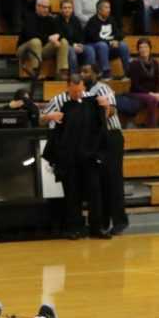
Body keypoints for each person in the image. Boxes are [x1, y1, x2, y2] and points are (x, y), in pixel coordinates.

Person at [40, 73, 106, 239]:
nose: (77, 94)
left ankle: (96, 228)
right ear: (67, 87)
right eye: (74, 91)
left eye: (80, 90)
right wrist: (50, 116)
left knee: (95, 192)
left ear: (84, 86)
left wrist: (106, 107)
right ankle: (74, 228)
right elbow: (40, 119)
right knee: (72, 194)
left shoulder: (92, 99)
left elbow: (106, 117)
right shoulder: (58, 100)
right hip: (68, 155)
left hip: (89, 154)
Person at [80, 63, 126, 236]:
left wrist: (100, 113)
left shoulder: (103, 88)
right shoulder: (82, 92)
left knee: (114, 180)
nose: (83, 74)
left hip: (111, 136)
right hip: (95, 139)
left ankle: (120, 221)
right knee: (100, 183)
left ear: (96, 74)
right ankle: (103, 222)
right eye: (82, 72)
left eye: (86, 72)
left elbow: (112, 110)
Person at [127, 37, 159, 127]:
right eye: (141, 47)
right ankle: (151, 127)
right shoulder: (134, 64)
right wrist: (151, 94)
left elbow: (158, 81)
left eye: (145, 47)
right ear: (138, 50)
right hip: (137, 92)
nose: (143, 49)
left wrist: (157, 93)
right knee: (152, 100)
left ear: (150, 48)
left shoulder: (155, 63)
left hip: (153, 93)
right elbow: (135, 85)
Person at [17, 0, 69, 80]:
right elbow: (30, 34)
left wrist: (57, 36)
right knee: (36, 41)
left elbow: (61, 32)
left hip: (41, 50)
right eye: (44, 7)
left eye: (48, 7)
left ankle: (61, 71)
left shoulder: (50, 19)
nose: (46, 10)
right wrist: (49, 38)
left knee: (63, 41)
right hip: (25, 49)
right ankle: (36, 70)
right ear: (37, 6)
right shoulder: (29, 17)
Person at [84, 0, 130, 79]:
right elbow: (94, 38)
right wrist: (110, 42)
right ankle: (106, 72)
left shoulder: (111, 20)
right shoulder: (92, 21)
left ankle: (128, 72)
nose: (109, 10)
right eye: (106, 8)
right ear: (99, 10)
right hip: (96, 47)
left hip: (110, 47)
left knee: (123, 45)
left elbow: (120, 33)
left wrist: (116, 40)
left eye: (109, 8)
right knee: (102, 45)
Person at [57, 0, 95, 73]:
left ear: (72, 9)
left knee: (89, 49)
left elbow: (81, 35)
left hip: (76, 44)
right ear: (61, 9)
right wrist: (73, 45)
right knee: (71, 51)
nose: (67, 10)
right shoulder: (56, 20)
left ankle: (88, 74)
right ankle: (74, 76)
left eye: (69, 8)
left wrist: (80, 44)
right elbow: (61, 37)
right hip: (64, 46)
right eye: (65, 8)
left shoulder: (76, 20)